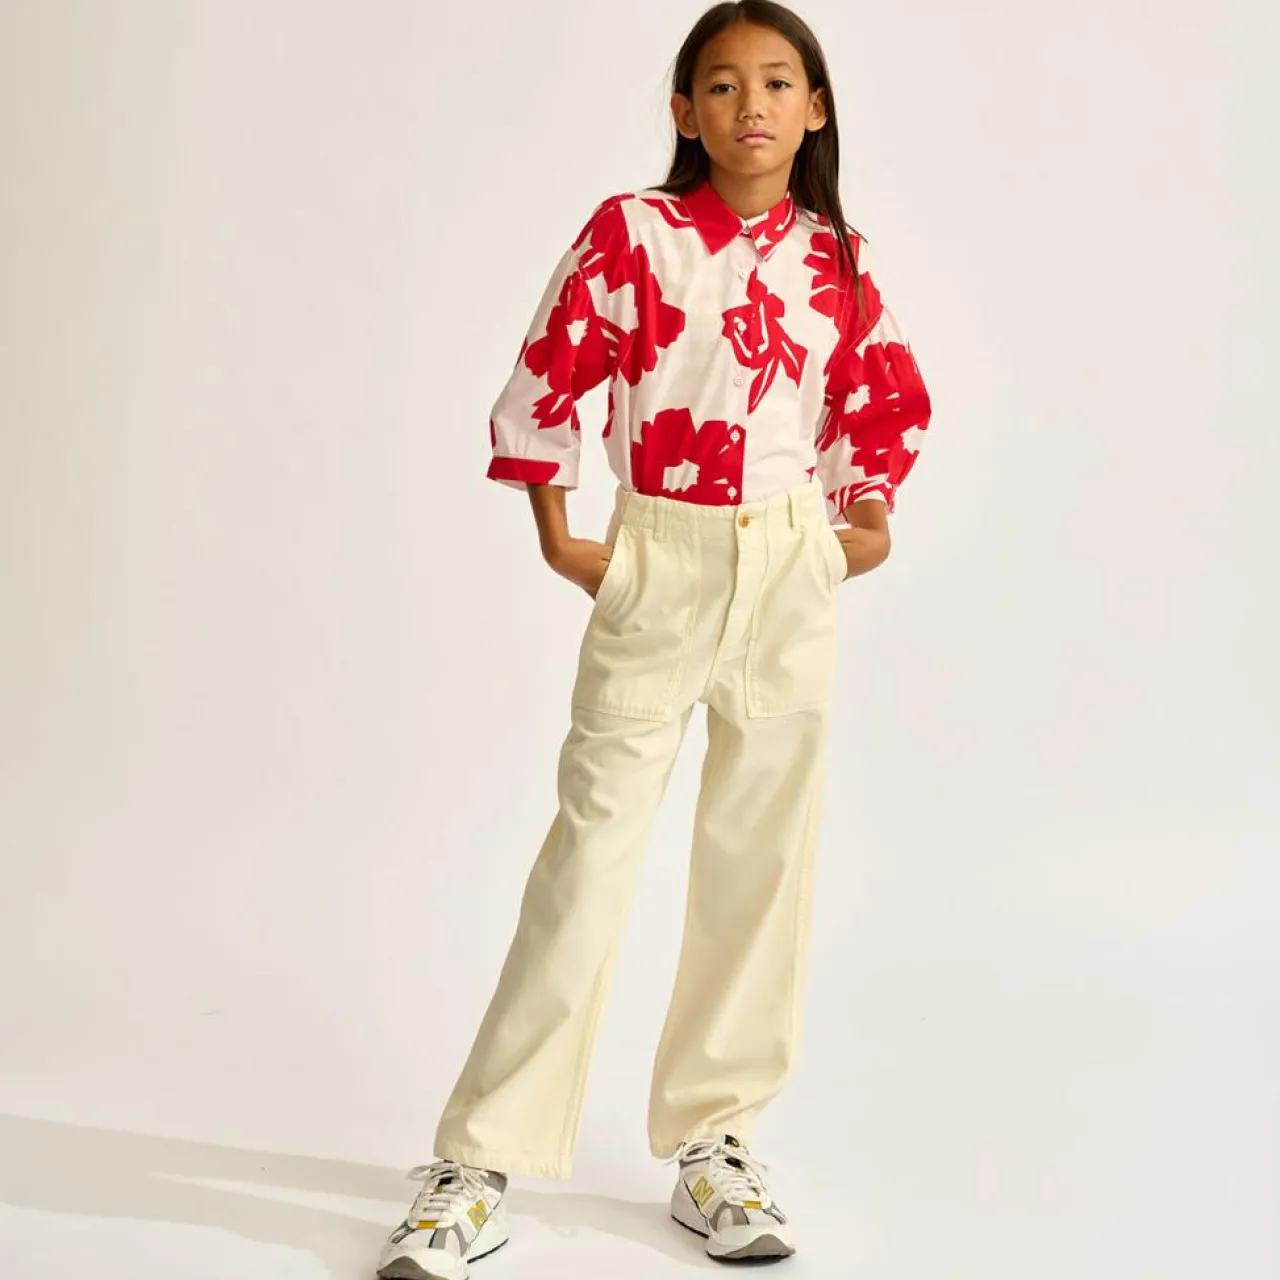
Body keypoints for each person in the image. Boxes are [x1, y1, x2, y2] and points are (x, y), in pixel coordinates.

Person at [375, 2, 933, 1276]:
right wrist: (564, 535)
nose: (750, 104)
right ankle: (477, 1155)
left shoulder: (838, 256)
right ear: (684, 110)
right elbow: (549, 370)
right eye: (721, 84)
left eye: (777, 82)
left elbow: (879, 399)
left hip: (788, 564)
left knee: (759, 859)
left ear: (814, 109)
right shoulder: (632, 233)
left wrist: (860, 525)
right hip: (657, 557)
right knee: (589, 855)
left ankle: (713, 1141)